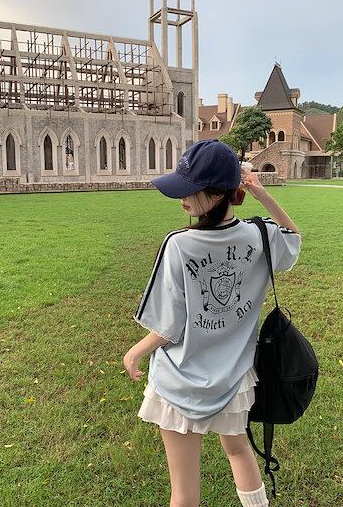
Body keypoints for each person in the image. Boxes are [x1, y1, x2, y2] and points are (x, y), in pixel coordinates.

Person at [123, 139, 301, 507]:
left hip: (179, 381)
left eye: (190, 190)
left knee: (183, 491)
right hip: (233, 380)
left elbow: (168, 327)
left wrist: (136, 351)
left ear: (218, 193)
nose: (182, 199)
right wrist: (261, 193)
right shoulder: (260, 236)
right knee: (238, 452)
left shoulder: (179, 245)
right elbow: (293, 238)